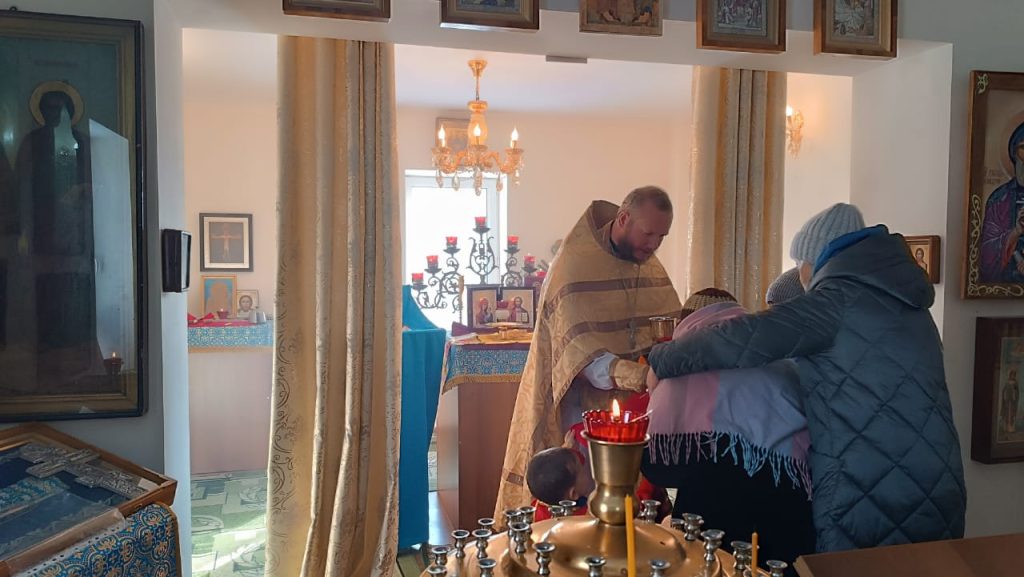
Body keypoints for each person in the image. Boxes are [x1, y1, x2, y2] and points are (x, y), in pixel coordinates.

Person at [648, 203, 966, 553]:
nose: (799, 272)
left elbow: (739, 339)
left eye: (800, 262)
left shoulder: (834, 302)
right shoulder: (911, 306)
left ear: (817, 260)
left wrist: (660, 359)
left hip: (868, 489)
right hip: (938, 483)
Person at [494, 186, 682, 519]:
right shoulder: (574, 264)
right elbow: (580, 356)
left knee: (636, 502)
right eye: (648, 233)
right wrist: (640, 375)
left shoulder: (647, 265)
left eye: (662, 237)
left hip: (637, 410)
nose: (654, 245)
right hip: (583, 410)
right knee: (587, 500)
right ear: (623, 219)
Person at [642, 288, 814, 570]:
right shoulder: (781, 362)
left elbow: (657, 466)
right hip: (786, 521)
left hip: (710, 533)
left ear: (686, 325)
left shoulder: (677, 374)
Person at [980, 121, 1024, 282]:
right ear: (1014, 153)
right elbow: (986, 254)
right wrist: (1015, 232)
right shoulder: (999, 199)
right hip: (1006, 283)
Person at [1002, 368, 1019, 434]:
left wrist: (1014, 393)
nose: (1013, 376)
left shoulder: (1015, 383)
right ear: (1010, 375)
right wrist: (1005, 395)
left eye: (1014, 375)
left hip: (1013, 402)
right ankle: (1006, 427)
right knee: (1007, 413)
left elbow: (1017, 391)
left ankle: (1011, 428)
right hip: (1007, 401)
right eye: (1012, 375)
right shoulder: (1007, 382)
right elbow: (1004, 390)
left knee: (1012, 414)